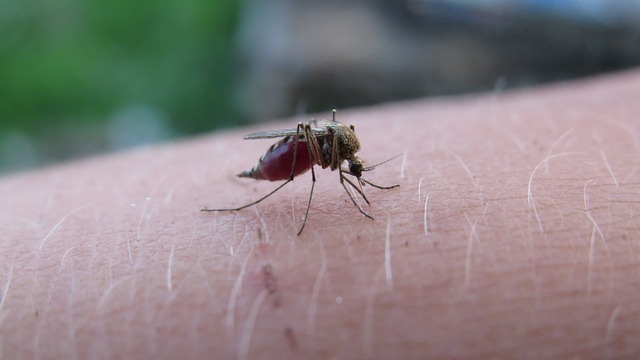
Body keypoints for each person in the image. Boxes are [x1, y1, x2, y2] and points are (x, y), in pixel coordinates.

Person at [1, 70, 639, 359]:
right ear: (348, 162)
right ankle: (254, 187)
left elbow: (335, 144)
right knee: (296, 174)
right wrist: (289, 166)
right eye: (355, 172)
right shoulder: (329, 151)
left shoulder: (344, 149)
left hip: (307, 144)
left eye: (354, 173)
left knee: (315, 147)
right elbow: (319, 146)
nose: (353, 173)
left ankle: (260, 180)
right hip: (294, 153)